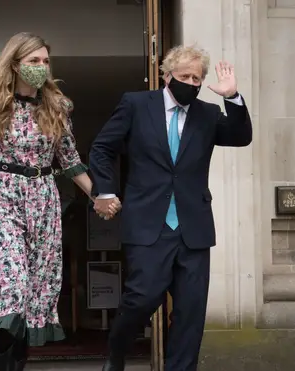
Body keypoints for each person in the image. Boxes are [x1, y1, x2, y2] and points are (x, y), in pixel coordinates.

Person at [0, 32, 120, 371]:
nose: (41, 67)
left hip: (44, 200)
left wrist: (98, 197)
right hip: (2, 196)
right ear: (15, 64)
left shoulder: (57, 107)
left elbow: (70, 160)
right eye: (33, 61)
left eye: (45, 61)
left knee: (34, 296)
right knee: (10, 290)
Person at [89, 45, 252, 371]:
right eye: (184, 76)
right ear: (166, 76)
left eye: (197, 78)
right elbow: (102, 148)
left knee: (191, 313)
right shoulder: (136, 104)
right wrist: (104, 191)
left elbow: (240, 136)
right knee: (142, 299)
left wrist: (232, 97)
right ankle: (117, 350)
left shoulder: (206, 114)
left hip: (193, 227)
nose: (190, 83)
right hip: (149, 224)